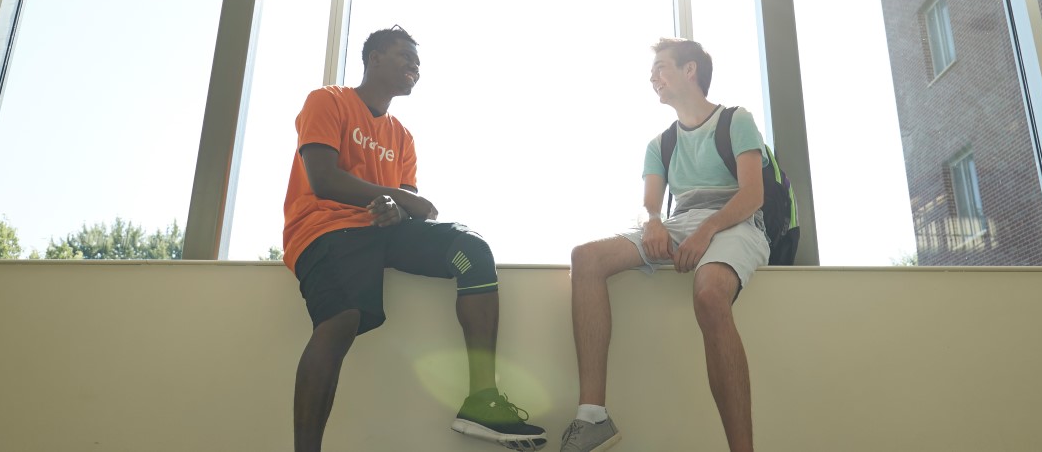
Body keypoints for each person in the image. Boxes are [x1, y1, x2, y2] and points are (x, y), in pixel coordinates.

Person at [283, 25, 547, 451]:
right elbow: (323, 179)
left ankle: (481, 401)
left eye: (418, 62)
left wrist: (394, 207)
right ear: (374, 59)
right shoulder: (327, 100)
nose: (415, 67)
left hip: (382, 233)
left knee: (471, 250)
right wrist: (395, 197)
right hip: (325, 227)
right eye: (405, 56)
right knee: (343, 317)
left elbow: (408, 203)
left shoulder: (402, 136)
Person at [560, 38, 769, 452]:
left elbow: (752, 196)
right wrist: (654, 222)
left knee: (709, 294)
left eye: (660, 67)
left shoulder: (736, 120)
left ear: (689, 70)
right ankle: (592, 417)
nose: (652, 76)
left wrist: (707, 230)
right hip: (679, 223)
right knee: (585, 258)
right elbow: (650, 205)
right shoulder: (660, 144)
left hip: (734, 220)